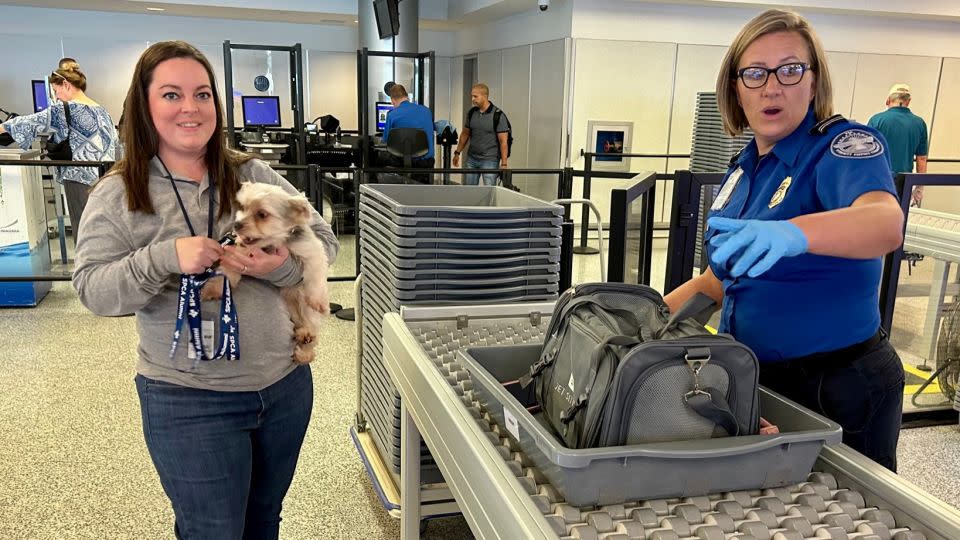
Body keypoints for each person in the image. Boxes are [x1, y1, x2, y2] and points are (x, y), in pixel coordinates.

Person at [72, 41, 338, 538]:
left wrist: (276, 266)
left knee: (264, 521)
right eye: (171, 95)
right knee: (213, 529)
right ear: (144, 105)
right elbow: (92, 290)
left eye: (202, 94)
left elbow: (323, 242)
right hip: (188, 398)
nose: (190, 108)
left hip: (282, 387)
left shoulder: (250, 173)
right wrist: (164, 257)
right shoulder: (117, 192)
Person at [664, 9, 905, 471]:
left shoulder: (841, 147)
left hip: (838, 385)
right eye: (754, 73)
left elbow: (883, 222)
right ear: (736, 87)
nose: (771, 86)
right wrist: (645, 321)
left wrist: (796, 233)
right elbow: (720, 280)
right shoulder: (746, 167)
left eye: (790, 69)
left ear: (814, 82)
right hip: (757, 377)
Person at [0, 58, 117, 242]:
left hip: (80, 179)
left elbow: (29, 122)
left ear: (66, 84)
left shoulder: (64, 109)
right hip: (106, 179)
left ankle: (86, 269)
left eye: (56, 91)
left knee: (83, 232)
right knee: (104, 231)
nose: (56, 97)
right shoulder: (102, 110)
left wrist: (2, 128)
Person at [868, 84, 928, 206]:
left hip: (878, 178)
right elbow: (921, 158)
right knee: (898, 217)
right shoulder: (919, 123)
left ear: (888, 100)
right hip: (904, 181)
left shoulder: (876, 120)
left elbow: (866, 153)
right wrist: (919, 187)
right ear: (909, 101)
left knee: (875, 217)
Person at [452, 83, 510, 186]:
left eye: (475, 96)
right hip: (472, 159)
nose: (472, 99)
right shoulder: (471, 113)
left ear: (485, 96)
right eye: (472, 96)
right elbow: (465, 134)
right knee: (470, 192)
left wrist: (504, 164)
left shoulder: (498, 115)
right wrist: (457, 152)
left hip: (490, 161)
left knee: (489, 192)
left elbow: (503, 142)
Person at [380, 83, 435, 183]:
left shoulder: (392, 115)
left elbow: (386, 141)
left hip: (401, 163)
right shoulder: (427, 111)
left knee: (377, 158)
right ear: (407, 97)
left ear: (392, 100)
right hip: (425, 163)